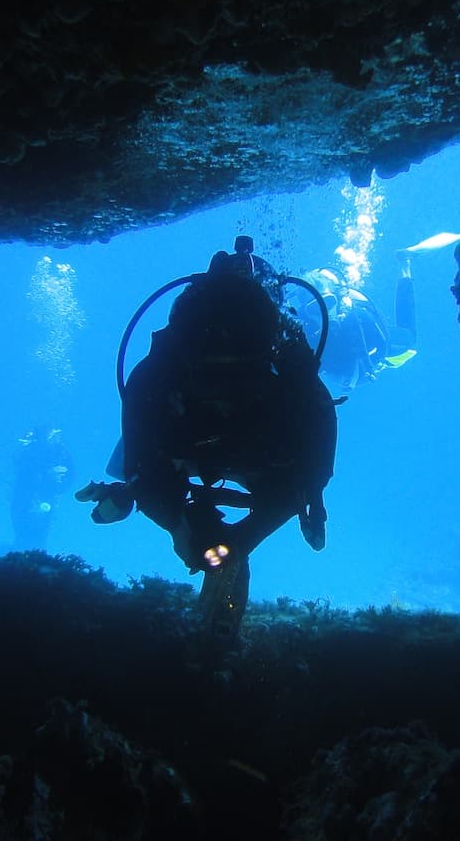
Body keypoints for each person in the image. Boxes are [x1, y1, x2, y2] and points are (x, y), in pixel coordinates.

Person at [77, 235, 337, 638]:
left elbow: (311, 475)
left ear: (267, 359)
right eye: (212, 374)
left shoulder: (297, 384)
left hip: (257, 448)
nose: (224, 393)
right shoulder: (155, 379)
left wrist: (242, 540)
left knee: (289, 478)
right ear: (185, 360)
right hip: (192, 442)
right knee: (146, 469)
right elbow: (141, 468)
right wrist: (178, 526)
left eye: (239, 375)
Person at [294, 251, 418, 394]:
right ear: (306, 314)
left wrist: (372, 367)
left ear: (337, 299)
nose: (324, 311)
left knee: (410, 338)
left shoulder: (358, 316)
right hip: (345, 367)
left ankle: (405, 267)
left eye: (328, 302)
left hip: (368, 350)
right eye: (315, 308)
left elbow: (383, 344)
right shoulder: (306, 334)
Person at [10, 424, 73, 550]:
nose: (54, 439)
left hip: (45, 495)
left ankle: (30, 551)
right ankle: (26, 550)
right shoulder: (30, 451)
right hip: (25, 495)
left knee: (40, 530)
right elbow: (23, 472)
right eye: (51, 435)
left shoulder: (60, 452)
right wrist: (47, 474)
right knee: (24, 528)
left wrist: (59, 487)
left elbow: (70, 473)